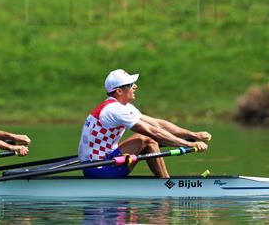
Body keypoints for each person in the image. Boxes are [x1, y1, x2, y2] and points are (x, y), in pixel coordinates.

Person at [78, 69, 209, 179]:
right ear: (119, 91)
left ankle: (164, 182)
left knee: (146, 138)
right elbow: (154, 132)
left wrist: (192, 134)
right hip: (98, 169)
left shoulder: (121, 106)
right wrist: (189, 144)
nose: (135, 87)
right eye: (131, 84)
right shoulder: (115, 110)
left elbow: (158, 124)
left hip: (105, 160)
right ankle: (166, 183)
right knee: (147, 139)